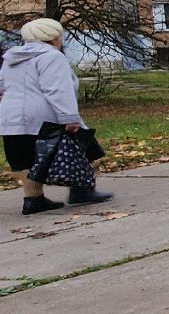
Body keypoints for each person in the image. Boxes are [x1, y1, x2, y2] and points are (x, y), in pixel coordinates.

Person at [1, 19, 111, 214]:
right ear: (51, 37)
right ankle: (81, 190)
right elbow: (58, 89)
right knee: (80, 146)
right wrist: (69, 117)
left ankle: (33, 199)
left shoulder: (11, 57)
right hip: (43, 114)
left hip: (11, 116)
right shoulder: (52, 56)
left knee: (24, 157)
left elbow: (3, 85)